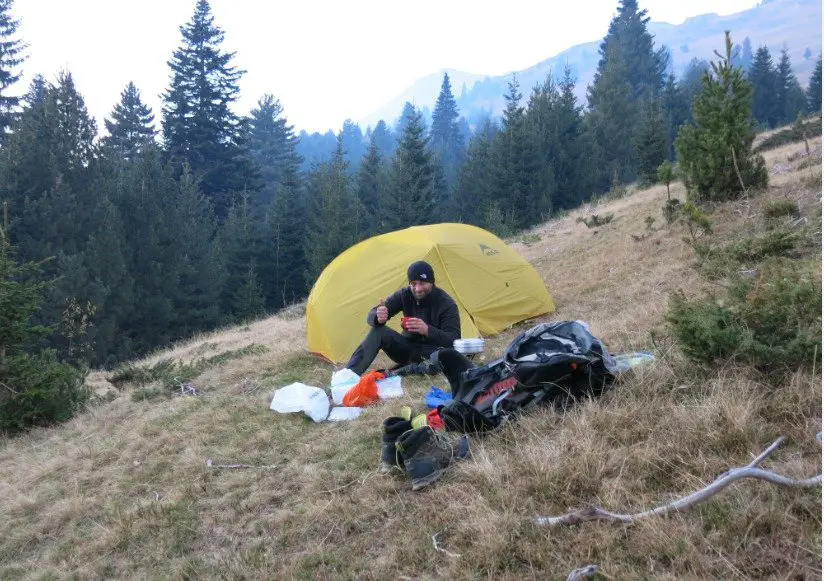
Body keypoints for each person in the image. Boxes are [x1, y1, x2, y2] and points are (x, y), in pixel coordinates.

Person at [345, 260, 461, 375]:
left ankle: (411, 369)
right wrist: (377, 316)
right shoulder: (405, 295)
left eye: (422, 283)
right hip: (407, 350)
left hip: (433, 355)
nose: (418, 289)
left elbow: (454, 341)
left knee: (443, 355)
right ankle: (348, 376)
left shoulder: (446, 304)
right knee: (379, 331)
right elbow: (373, 314)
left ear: (432, 282)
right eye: (413, 284)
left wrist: (427, 330)